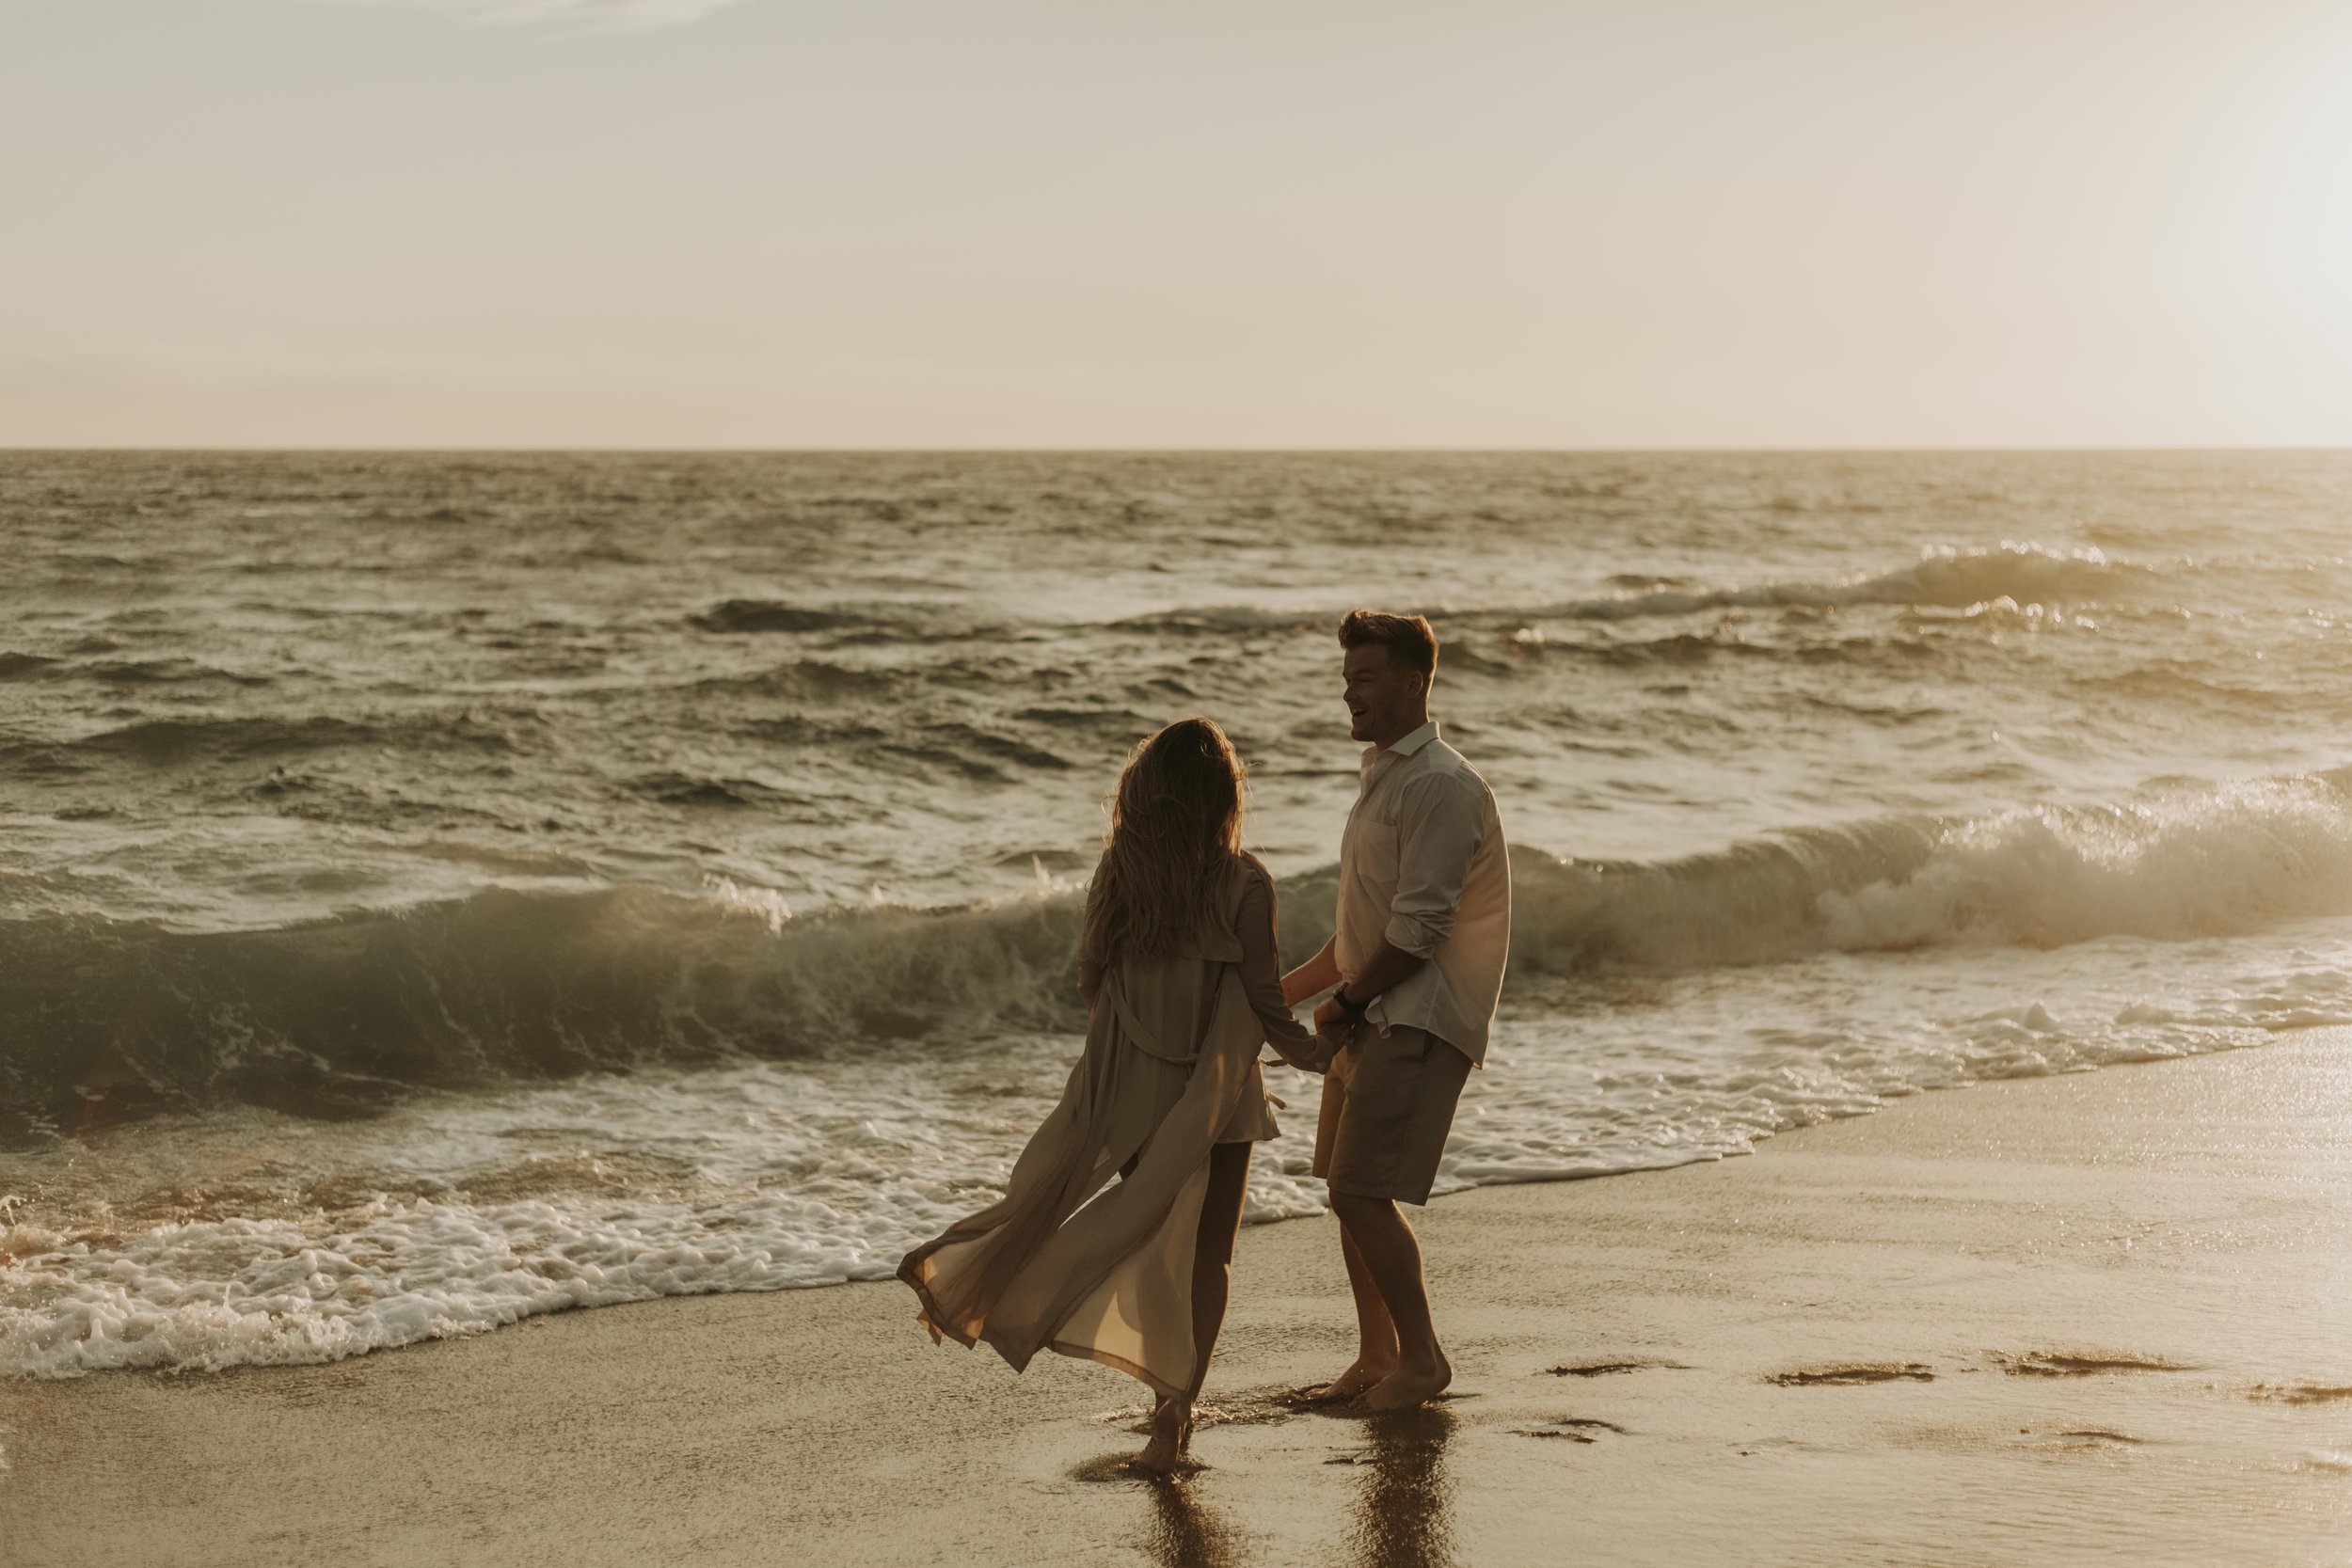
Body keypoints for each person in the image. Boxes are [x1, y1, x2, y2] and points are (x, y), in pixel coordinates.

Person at [898, 716, 1327, 1471]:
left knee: (1146, 1239)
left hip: (1136, 1098)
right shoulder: (1245, 881)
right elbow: (1264, 1003)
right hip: (1221, 1098)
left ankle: (979, 1282)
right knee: (1209, 1260)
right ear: (1223, 798)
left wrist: (1136, 1054)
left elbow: (1094, 980)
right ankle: (1176, 1409)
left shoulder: (1120, 877)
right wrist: (1322, 1055)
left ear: (1146, 793)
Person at [1281, 610, 1511, 1411]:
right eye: (1347, 682)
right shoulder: (1384, 776)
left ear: (1416, 682)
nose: (1352, 696)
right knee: (1347, 1189)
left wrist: (1344, 1000)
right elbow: (1362, 930)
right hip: (1372, 1010)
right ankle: (1377, 1353)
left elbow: (1418, 931)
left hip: (1416, 1017)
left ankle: (1423, 1359)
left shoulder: (1442, 783)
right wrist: (1285, 991)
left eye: (1367, 679)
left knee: (1358, 1191)